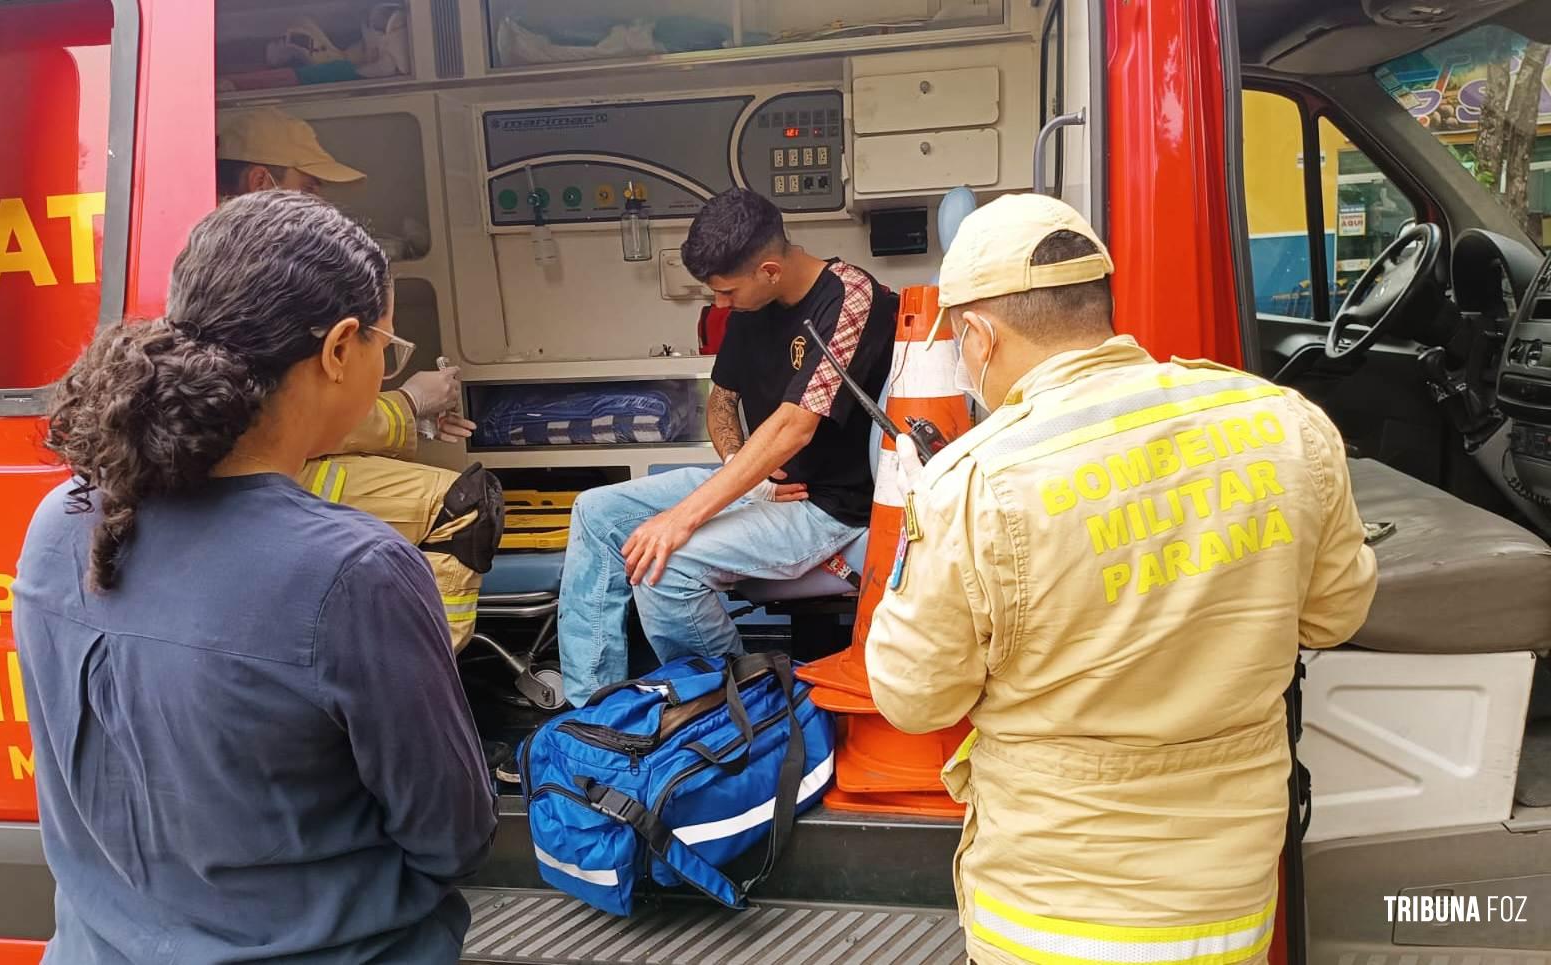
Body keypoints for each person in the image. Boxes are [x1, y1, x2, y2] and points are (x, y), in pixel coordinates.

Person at [864, 193, 1378, 965]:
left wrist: (925, 519)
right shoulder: (1284, 423)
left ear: (978, 335)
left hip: (1048, 922)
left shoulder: (972, 484)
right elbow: (1335, 614)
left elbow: (913, 697)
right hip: (1228, 908)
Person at [13, 191, 497, 964]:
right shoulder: (356, 573)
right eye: (386, 346)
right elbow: (453, 835)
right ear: (341, 348)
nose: (384, 363)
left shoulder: (59, 524)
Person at [555, 188, 901, 707]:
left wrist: (682, 518)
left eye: (726, 293)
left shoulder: (852, 299)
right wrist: (743, 468)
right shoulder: (751, 305)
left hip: (827, 506)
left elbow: (794, 427)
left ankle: (734, 705)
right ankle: (596, 707)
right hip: (762, 487)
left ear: (768, 270)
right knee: (597, 511)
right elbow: (722, 401)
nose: (720, 306)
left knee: (665, 565)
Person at [219, 106, 493, 651]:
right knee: (464, 501)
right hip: (260, 471)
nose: (325, 204)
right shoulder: (256, 278)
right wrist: (410, 403)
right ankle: (419, 672)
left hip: (266, 463)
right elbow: (287, 413)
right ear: (260, 182)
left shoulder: (225, 259)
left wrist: (418, 419)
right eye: (312, 186)